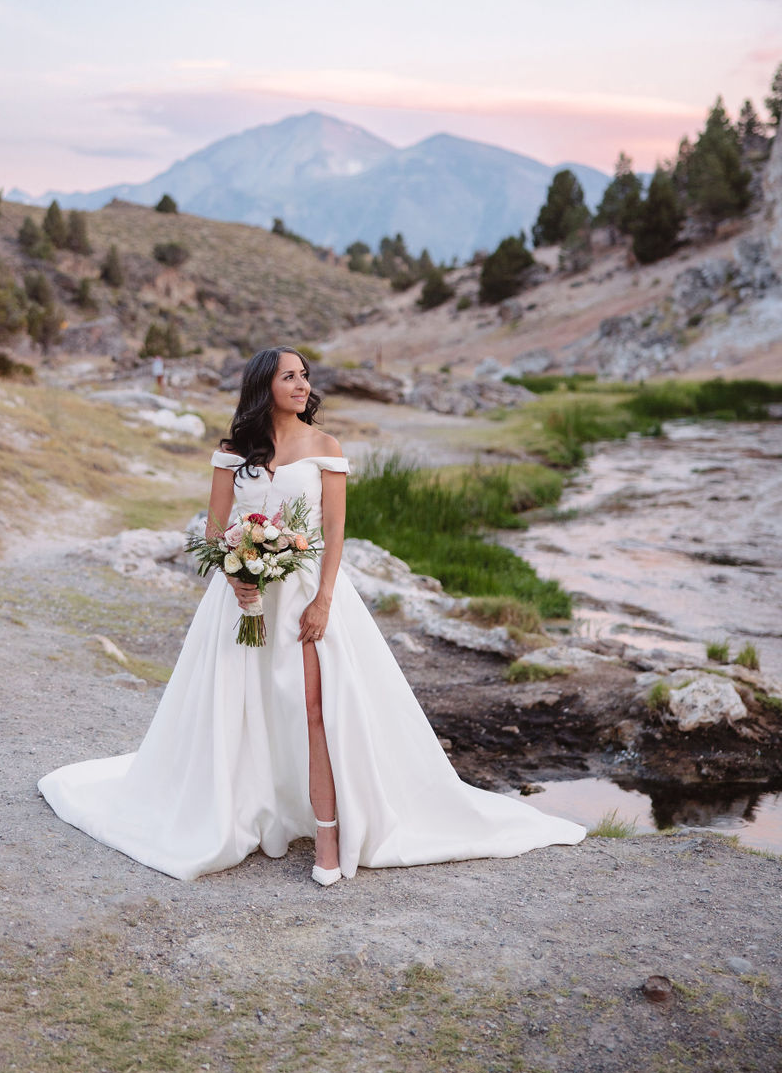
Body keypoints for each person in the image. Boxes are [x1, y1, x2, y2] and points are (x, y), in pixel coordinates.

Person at [38, 345, 586, 882]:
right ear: (264, 387)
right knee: (237, 707)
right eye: (289, 378)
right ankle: (238, 809)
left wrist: (323, 600)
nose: (302, 385)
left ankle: (328, 835)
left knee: (313, 708)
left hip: (305, 595)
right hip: (243, 601)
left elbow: (334, 533)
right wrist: (238, 578)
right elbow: (213, 531)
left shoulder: (326, 445)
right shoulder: (235, 449)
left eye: (304, 376)